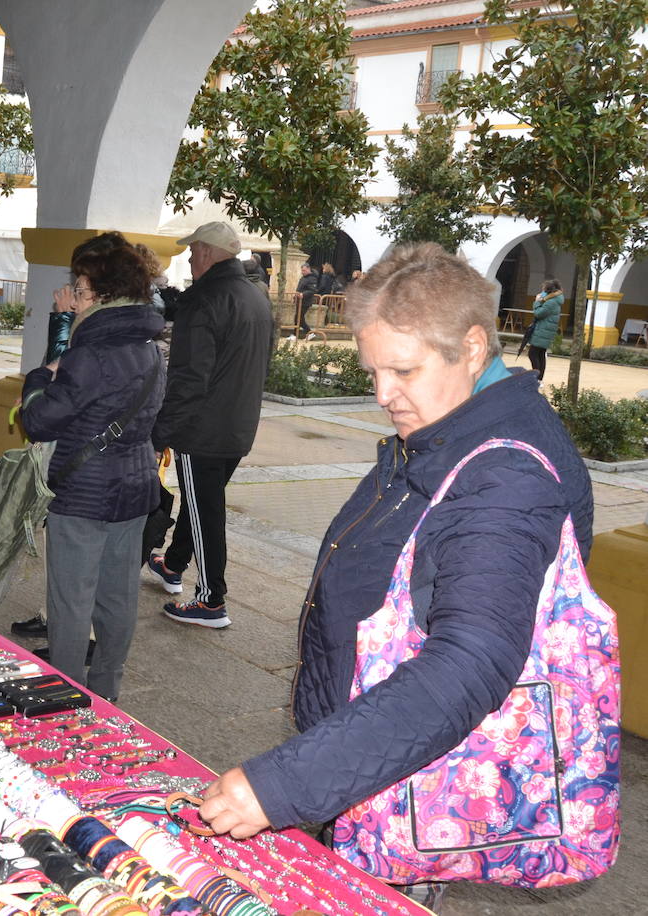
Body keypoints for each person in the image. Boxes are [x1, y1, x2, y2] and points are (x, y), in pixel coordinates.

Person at [196, 243, 601, 911]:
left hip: (406, 760)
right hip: (371, 746)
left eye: (403, 370)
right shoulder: (454, 428)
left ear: (473, 347)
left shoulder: (506, 474)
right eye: (373, 370)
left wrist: (285, 784)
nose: (383, 395)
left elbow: (469, 663)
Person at [19, 241, 165, 701]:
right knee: (118, 597)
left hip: (83, 492)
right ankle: (106, 688)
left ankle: (63, 690)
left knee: (70, 599)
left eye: (80, 291)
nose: (74, 298)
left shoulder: (89, 355)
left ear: (104, 294)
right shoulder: (151, 347)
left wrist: (41, 377)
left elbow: (37, 420)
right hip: (136, 485)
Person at [147, 221, 273, 627]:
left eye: (192, 250)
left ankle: (211, 600)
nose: (188, 257)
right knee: (202, 503)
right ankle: (174, 563)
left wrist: (160, 433)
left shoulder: (204, 302)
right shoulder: (255, 296)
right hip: (237, 422)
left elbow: (188, 378)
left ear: (206, 252)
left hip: (203, 429)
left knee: (206, 511)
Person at [527, 278, 563, 381]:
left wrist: (537, 302)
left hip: (543, 330)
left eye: (544, 290)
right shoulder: (554, 300)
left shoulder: (551, 302)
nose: (542, 292)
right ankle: (539, 379)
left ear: (548, 291)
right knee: (540, 353)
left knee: (533, 353)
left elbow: (538, 313)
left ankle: (537, 377)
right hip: (545, 330)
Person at [288, 262, 320, 341]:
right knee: (298, 318)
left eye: (304, 270)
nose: (302, 272)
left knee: (299, 318)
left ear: (308, 269)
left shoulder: (312, 278)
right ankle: (303, 334)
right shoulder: (304, 278)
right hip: (300, 300)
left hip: (305, 301)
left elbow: (312, 290)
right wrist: (296, 296)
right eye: (302, 270)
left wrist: (303, 294)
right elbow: (300, 288)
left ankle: (307, 333)